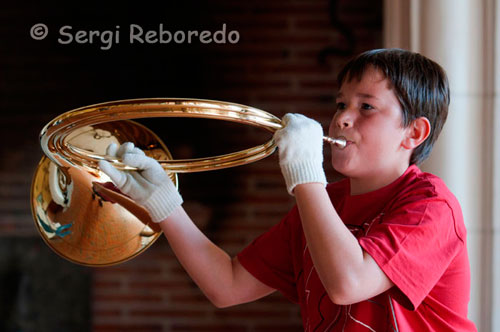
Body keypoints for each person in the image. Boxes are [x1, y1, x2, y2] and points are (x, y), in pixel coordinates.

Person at [98, 48, 477, 331]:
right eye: (341, 103)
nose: (342, 117)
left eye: (366, 107)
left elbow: (348, 284)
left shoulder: (431, 206)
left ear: (414, 132)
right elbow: (226, 286)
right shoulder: (323, 205)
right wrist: (163, 202)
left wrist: (306, 173)